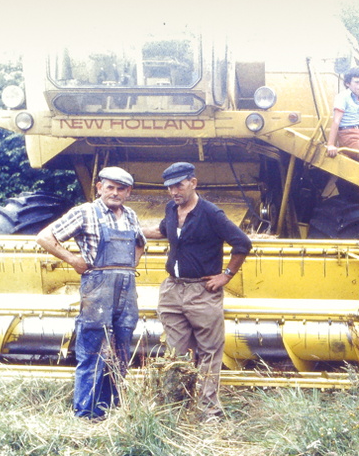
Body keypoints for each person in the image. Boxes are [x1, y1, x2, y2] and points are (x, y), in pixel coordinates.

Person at [143, 162, 252, 419]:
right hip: (172, 290)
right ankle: (176, 407)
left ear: (193, 182)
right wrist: (130, 231)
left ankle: (209, 411)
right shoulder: (171, 209)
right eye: (169, 187)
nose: (173, 191)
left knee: (209, 352)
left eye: (179, 185)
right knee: (175, 353)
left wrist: (226, 275)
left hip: (202, 291)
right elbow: (162, 231)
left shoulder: (212, 213)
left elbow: (242, 243)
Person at [36, 167, 145, 420]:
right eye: (110, 187)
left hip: (127, 287)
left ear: (128, 192)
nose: (115, 193)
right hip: (97, 285)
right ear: (99, 187)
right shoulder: (85, 212)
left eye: (121, 189)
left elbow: (140, 242)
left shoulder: (130, 215)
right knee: (92, 350)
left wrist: (130, 264)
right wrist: (73, 260)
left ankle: (112, 410)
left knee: (121, 350)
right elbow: (44, 237)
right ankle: (85, 413)